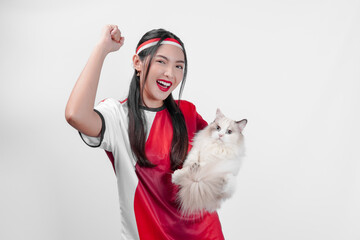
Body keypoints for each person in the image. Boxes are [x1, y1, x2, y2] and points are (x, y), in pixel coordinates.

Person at [65, 24, 225, 240]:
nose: (171, 73)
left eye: (179, 66)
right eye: (161, 61)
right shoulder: (117, 116)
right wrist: (102, 49)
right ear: (137, 63)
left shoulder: (187, 112)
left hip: (207, 234)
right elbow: (75, 115)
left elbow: (219, 159)